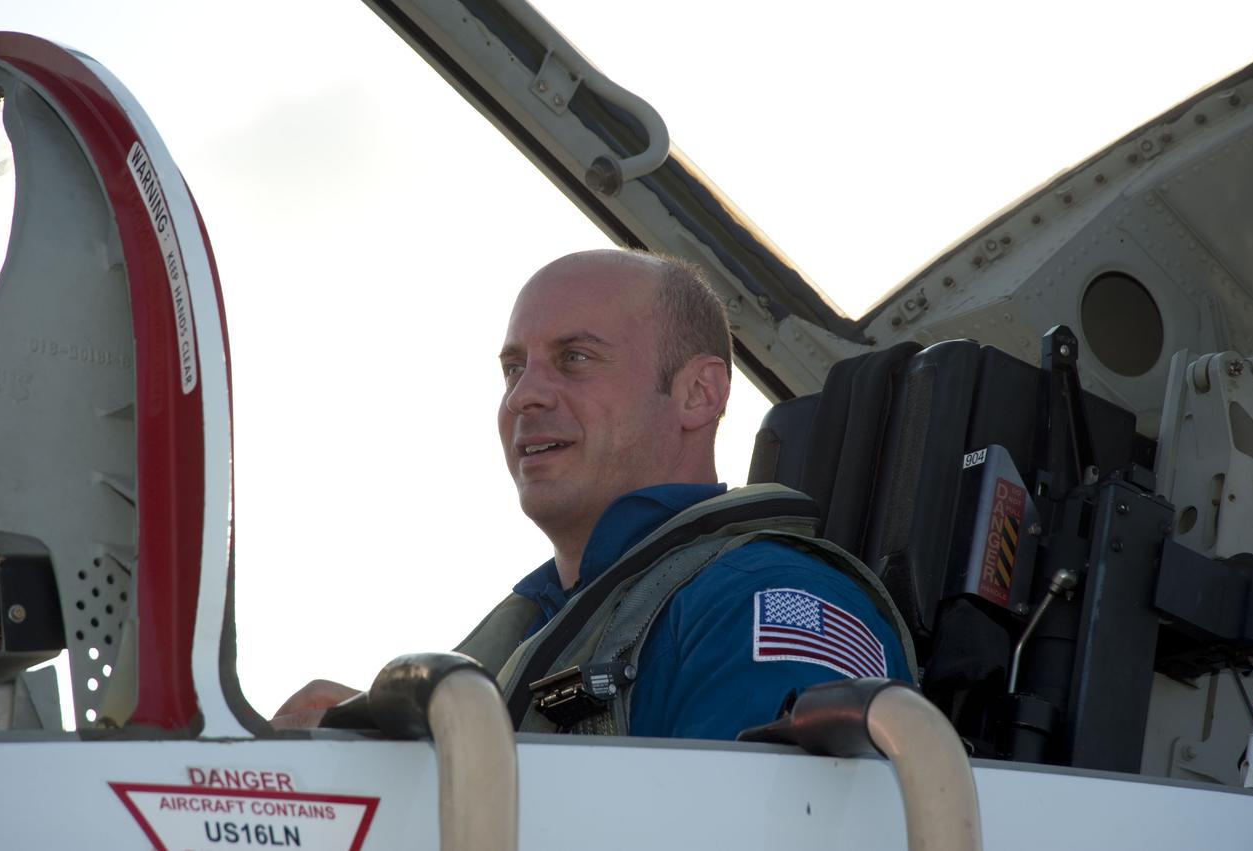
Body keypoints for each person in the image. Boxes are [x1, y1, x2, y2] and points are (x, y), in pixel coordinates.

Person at [272, 249, 912, 737]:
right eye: (513, 368)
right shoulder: (544, 620)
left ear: (699, 394)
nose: (524, 395)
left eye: (574, 358)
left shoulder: (763, 601)